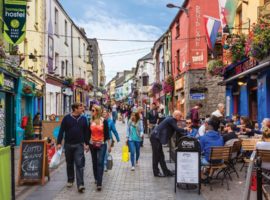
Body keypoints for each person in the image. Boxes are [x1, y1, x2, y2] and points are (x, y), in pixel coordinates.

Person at [57, 103, 89, 193]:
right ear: (75, 109)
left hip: (79, 145)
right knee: (69, 163)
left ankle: (80, 184)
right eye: (80, 107)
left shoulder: (83, 119)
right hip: (68, 144)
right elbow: (61, 130)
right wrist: (59, 143)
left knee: (79, 164)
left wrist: (87, 144)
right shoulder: (67, 118)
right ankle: (70, 180)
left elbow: (86, 132)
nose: (82, 109)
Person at [150, 110, 185, 177]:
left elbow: (176, 130)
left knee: (161, 156)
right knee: (156, 156)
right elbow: (177, 129)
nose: (181, 118)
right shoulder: (171, 119)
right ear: (176, 115)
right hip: (155, 137)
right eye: (180, 116)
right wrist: (186, 129)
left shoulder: (171, 119)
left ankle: (166, 172)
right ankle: (156, 172)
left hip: (157, 137)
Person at [89, 105, 110, 191]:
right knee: (94, 162)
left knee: (100, 162)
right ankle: (96, 178)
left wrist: (109, 145)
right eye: (91, 110)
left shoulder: (103, 121)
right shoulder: (90, 121)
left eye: (93, 110)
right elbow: (87, 133)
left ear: (97, 111)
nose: (91, 112)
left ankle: (99, 183)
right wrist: (86, 144)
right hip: (92, 144)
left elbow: (107, 134)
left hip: (102, 144)